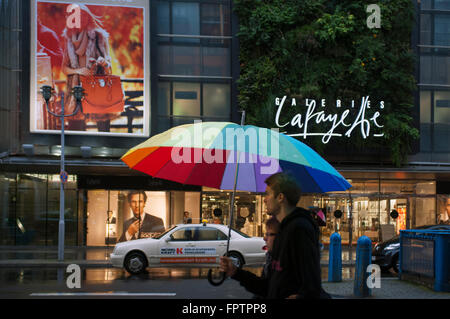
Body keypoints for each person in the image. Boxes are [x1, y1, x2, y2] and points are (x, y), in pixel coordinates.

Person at [220, 172, 330, 299]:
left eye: (268, 193)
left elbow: (311, 281)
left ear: (280, 197)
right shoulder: (282, 230)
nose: (265, 199)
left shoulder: (299, 229)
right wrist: (235, 272)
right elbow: (268, 287)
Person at [61, 3, 121, 132]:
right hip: (76, 91)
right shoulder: (69, 38)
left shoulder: (99, 36)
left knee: (103, 129)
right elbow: (64, 68)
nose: (81, 18)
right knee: (75, 129)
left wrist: (102, 62)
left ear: (88, 17)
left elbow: (109, 65)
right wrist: (78, 71)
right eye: (77, 16)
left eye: (83, 15)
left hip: (97, 88)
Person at [219, 216, 280, 298]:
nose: (265, 238)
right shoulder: (272, 258)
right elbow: (264, 287)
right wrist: (235, 272)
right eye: (266, 234)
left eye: (269, 234)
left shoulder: (286, 261)